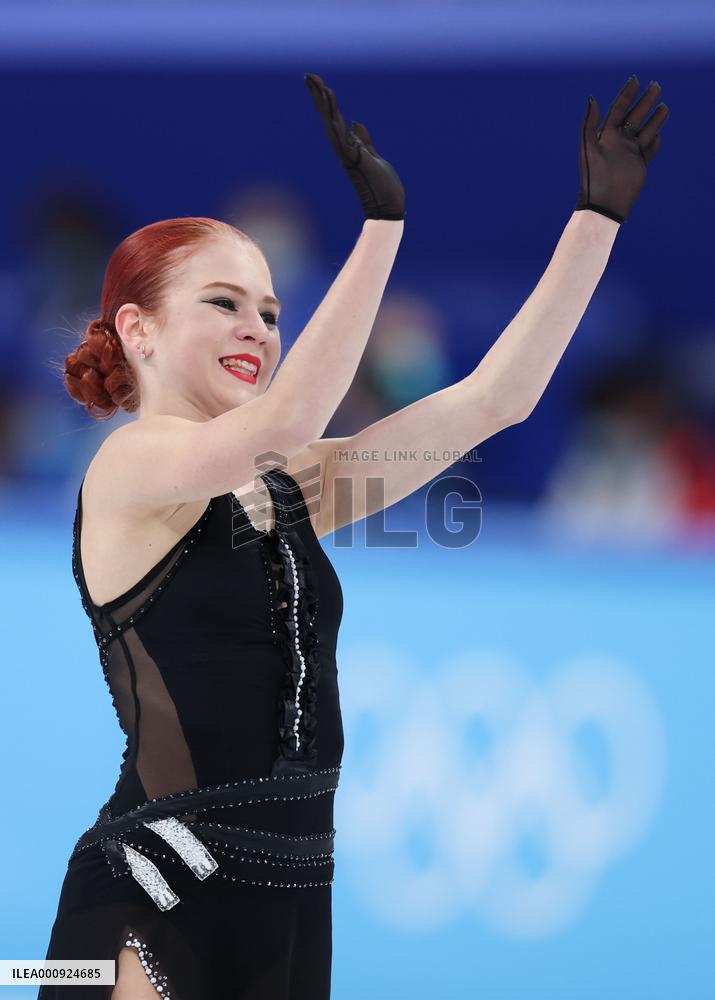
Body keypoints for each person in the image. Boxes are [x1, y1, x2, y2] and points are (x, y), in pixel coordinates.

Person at [40, 71, 668, 998]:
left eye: (269, 311)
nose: (256, 328)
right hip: (152, 890)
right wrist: (380, 234)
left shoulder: (286, 488)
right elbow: (288, 418)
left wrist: (594, 223)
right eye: (223, 303)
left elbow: (493, 403)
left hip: (291, 904)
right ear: (136, 328)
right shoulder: (129, 467)